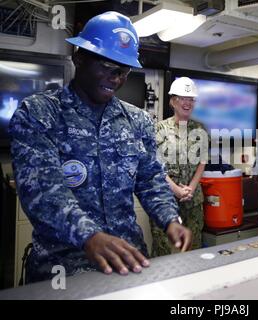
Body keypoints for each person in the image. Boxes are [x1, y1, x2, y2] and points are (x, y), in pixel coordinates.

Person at [9, 11, 192, 283]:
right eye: (108, 67)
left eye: (124, 71)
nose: (117, 79)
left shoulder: (137, 120)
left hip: (127, 261)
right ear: (79, 57)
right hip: (62, 270)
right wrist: (89, 236)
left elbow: (150, 178)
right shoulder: (39, 114)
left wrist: (170, 219)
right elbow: (43, 190)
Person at [150, 77, 208, 257]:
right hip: (166, 201)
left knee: (193, 251)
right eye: (183, 98)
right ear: (172, 101)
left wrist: (190, 187)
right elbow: (154, 164)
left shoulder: (200, 129)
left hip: (193, 200)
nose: (187, 103)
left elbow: (202, 161)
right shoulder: (159, 129)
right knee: (164, 252)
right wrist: (175, 189)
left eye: (191, 99)